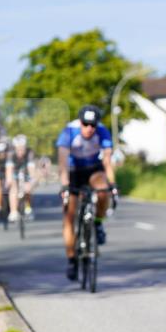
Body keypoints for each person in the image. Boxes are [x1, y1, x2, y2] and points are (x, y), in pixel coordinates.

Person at [57, 105, 116, 281]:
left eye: (93, 125)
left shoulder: (103, 131)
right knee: (69, 216)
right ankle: (71, 260)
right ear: (80, 122)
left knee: (103, 190)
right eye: (85, 124)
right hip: (73, 171)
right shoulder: (69, 131)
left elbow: (107, 161)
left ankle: (98, 223)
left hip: (93, 169)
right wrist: (65, 186)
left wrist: (112, 185)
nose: (89, 128)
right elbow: (62, 162)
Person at [5, 134, 36, 222]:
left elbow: (31, 170)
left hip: (26, 170)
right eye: (18, 149)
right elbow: (9, 170)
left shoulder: (30, 153)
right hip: (15, 171)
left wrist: (31, 182)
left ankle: (28, 207)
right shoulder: (10, 154)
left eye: (22, 149)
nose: (20, 152)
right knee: (13, 187)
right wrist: (9, 180)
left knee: (28, 187)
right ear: (15, 148)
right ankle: (13, 211)